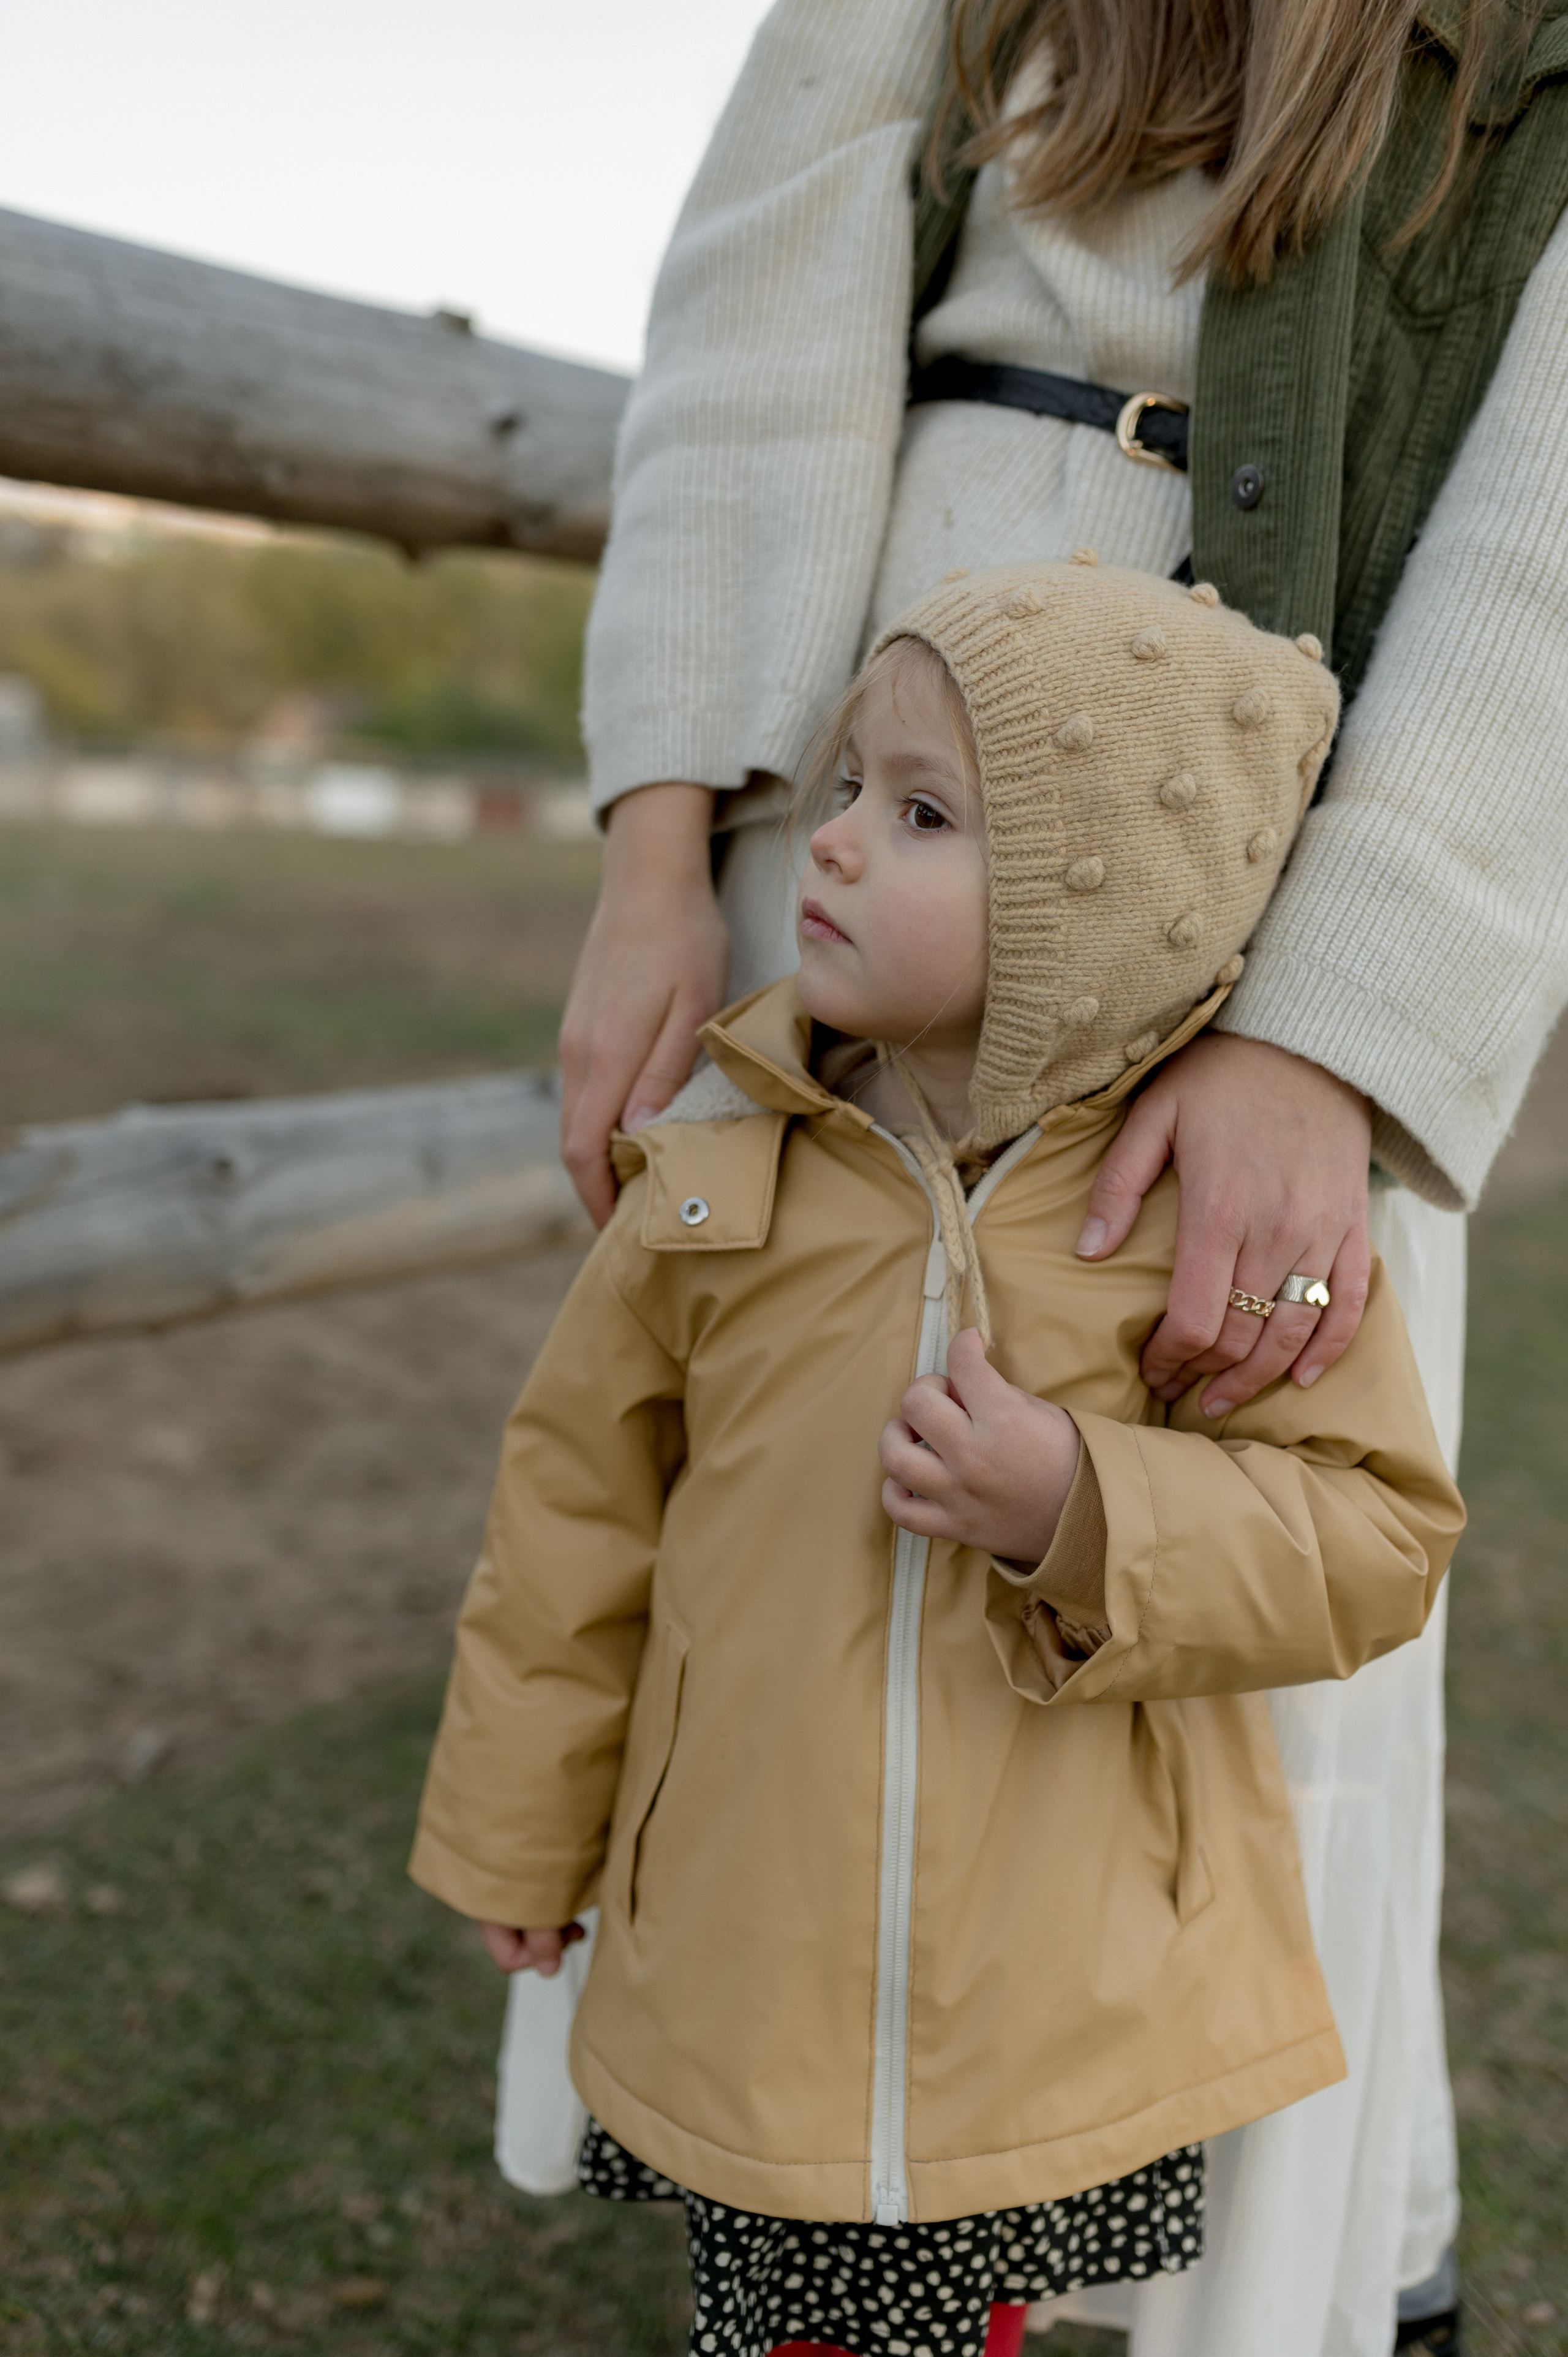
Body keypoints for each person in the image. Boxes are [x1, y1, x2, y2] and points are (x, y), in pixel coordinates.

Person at [553, 6, 1568, 2348]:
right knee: (775, 1502)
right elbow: (767, 316)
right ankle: (804, 2200)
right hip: (879, 768)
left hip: (1283, 823)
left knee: (1207, 1542)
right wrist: (657, 850)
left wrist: (1336, 1028)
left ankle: (1206, 2271)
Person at [413, 562, 1466, 2357]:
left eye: (918, 814)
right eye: (841, 790)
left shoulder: (1192, 1225)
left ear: (1099, 910)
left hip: (1059, 1981)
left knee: (960, 2320)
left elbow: (1373, 1535)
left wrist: (1080, 1504)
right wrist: (522, 1832)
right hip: (753, 1947)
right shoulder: (721, 1171)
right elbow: (572, 1527)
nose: (826, 845)